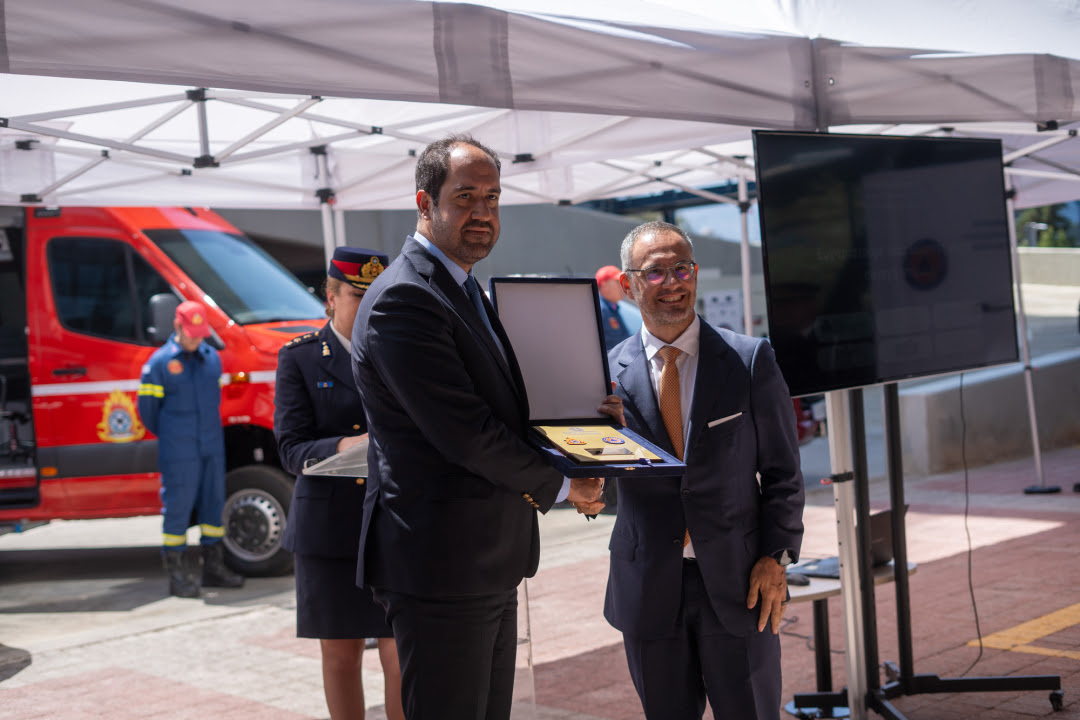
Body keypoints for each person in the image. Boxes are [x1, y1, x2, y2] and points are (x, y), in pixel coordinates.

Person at [350, 134, 608, 720]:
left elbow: (504, 406)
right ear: (425, 203)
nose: (483, 213)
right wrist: (564, 484)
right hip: (441, 567)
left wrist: (588, 415)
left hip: (483, 558)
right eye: (465, 197)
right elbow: (465, 431)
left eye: (492, 198)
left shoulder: (460, 287)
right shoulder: (405, 298)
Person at [603, 221, 805, 720]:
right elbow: (596, 483)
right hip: (648, 588)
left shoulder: (749, 360)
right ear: (627, 284)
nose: (673, 282)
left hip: (740, 584)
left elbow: (783, 472)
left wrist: (776, 557)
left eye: (682, 268)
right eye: (656, 273)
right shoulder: (604, 374)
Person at [273, 247, 404, 720]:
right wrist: (345, 446)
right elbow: (291, 448)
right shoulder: (301, 358)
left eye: (378, 295)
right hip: (330, 532)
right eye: (357, 295)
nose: (369, 305)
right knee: (342, 658)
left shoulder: (400, 354)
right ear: (330, 297)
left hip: (391, 527)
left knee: (401, 656)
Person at [138, 300, 245, 598]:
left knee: (213, 506)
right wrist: (175, 436)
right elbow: (148, 412)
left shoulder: (212, 359)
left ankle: (213, 569)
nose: (197, 340)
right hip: (179, 450)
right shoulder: (159, 363)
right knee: (178, 509)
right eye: (191, 334)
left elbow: (215, 400)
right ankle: (178, 576)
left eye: (201, 334)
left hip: (211, 446)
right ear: (177, 326)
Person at [595, 264, 641, 351]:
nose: (623, 286)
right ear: (604, 286)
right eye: (617, 282)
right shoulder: (599, 310)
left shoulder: (612, 307)